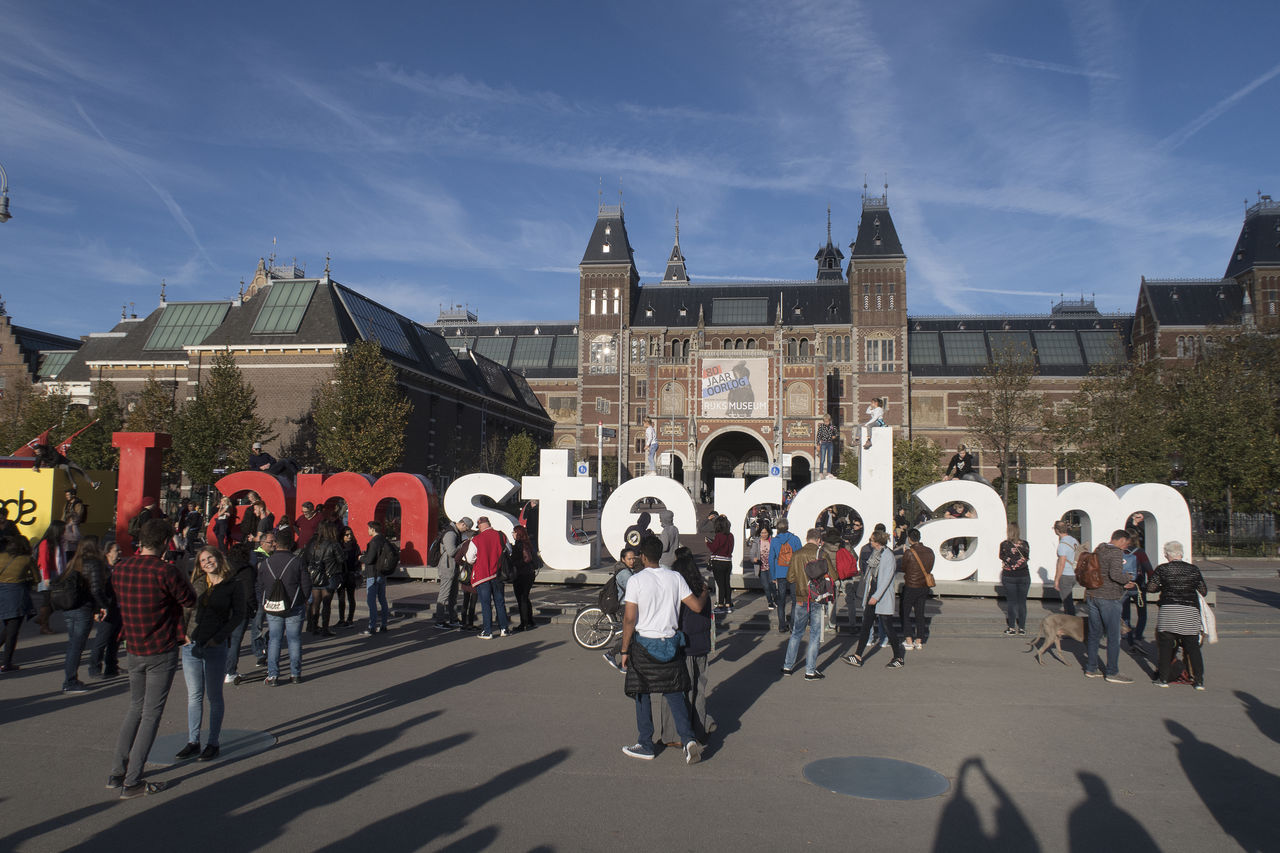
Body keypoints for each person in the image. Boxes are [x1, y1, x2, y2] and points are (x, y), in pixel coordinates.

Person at [108, 518, 198, 798]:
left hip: (133, 646)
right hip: (160, 647)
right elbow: (189, 600)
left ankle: (117, 771)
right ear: (164, 543)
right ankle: (133, 780)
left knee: (135, 708)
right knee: (151, 714)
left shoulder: (120, 568)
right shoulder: (165, 571)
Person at [619, 535, 708, 763]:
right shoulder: (675, 577)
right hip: (670, 643)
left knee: (642, 693)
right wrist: (705, 591)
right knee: (675, 693)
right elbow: (696, 606)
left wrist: (624, 650)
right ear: (660, 555)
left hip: (644, 643)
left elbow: (629, 619)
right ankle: (688, 740)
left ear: (643, 556)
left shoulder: (636, 581)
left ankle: (646, 743)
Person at [177, 547, 246, 761]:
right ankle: (193, 741)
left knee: (214, 696)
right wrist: (182, 636)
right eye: (203, 560)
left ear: (218, 559)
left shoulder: (233, 584)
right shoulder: (196, 584)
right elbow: (184, 610)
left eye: (210, 558)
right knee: (194, 696)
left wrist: (220, 637)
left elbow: (239, 615)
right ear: (199, 565)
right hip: (191, 645)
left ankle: (213, 743)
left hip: (215, 645)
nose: (207, 562)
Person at [655, 552, 714, 743]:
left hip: (682, 645)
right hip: (701, 645)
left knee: (676, 692)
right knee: (698, 690)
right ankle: (698, 730)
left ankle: (673, 735)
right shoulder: (703, 590)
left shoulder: (679, 591)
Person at [1147, 541, 1208, 689]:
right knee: (1192, 647)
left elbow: (1151, 588)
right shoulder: (1193, 570)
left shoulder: (1163, 569)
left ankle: (1163, 679)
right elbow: (1203, 591)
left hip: (1169, 610)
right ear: (1181, 553)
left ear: (1167, 554)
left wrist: (1165, 586)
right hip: (1189, 611)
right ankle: (1199, 681)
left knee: (1166, 646)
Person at [782, 527, 838, 680]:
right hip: (817, 598)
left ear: (807, 538)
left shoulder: (797, 554)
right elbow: (834, 575)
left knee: (796, 633)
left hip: (801, 598)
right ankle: (810, 670)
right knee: (814, 634)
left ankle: (788, 666)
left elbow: (790, 578)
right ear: (819, 540)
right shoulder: (822, 554)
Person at [257, 526, 310, 684]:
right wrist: (304, 599)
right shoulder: (297, 561)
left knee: (274, 639)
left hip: (273, 605)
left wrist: (263, 600)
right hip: (294, 604)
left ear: (275, 544)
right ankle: (295, 674)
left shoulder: (266, 562)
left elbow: (260, 585)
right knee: (294, 639)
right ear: (291, 544)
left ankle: (273, 675)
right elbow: (306, 584)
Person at [845, 530, 905, 668]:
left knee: (888, 627)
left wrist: (875, 597)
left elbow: (885, 579)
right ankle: (858, 655)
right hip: (873, 593)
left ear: (877, 542)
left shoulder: (888, 556)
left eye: (872, 540)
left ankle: (898, 657)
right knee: (866, 625)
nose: (870, 542)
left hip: (881, 596)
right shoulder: (877, 553)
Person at [1083, 530, 1137, 684]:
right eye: (1126, 544)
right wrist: (1128, 578)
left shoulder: (1099, 549)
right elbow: (1115, 575)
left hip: (1093, 595)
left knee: (1094, 634)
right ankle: (1112, 672)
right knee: (1113, 636)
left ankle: (1091, 668)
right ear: (1121, 540)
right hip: (1109, 598)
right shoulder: (1115, 553)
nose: (1125, 547)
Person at [59, 538, 102, 694]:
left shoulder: (73, 562)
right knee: (77, 646)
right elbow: (96, 589)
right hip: (83, 608)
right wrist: (103, 605)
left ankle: (70, 678)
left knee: (73, 645)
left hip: (69, 607)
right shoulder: (93, 563)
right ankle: (70, 681)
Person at [464, 517, 510, 639]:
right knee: (500, 602)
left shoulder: (476, 539)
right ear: (489, 524)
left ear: (480, 526)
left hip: (482, 575)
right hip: (498, 574)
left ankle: (488, 631)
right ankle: (504, 629)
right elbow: (508, 551)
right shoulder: (501, 535)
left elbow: (469, 559)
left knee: (486, 604)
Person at [0, 536, 39, 672]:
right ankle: (6, 662)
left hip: (1, 593)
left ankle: (6, 662)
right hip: (17, 595)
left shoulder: (1, 556)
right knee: (12, 631)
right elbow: (37, 578)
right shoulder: (27, 559)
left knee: (7, 627)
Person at [602, 547, 642, 671]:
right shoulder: (624, 573)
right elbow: (634, 588)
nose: (632, 561)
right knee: (630, 633)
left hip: (630, 604)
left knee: (632, 634)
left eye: (633, 558)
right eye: (629, 559)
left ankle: (627, 663)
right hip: (625, 605)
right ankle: (611, 653)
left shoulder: (629, 570)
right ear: (623, 559)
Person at [88, 540, 123, 679]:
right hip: (107, 608)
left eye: (119, 550)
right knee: (102, 639)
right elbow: (96, 590)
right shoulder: (102, 569)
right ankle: (94, 668)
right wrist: (98, 609)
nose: (119, 553)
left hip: (120, 607)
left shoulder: (120, 566)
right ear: (108, 553)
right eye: (116, 550)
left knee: (116, 639)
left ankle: (111, 667)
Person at [223, 543, 257, 685]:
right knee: (236, 641)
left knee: (225, 641)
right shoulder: (247, 570)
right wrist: (253, 607)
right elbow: (249, 592)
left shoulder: (224, 567)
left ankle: (222, 669)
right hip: (240, 608)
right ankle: (229, 671)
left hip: (224, 607)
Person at [303, 521, 343, 637]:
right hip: (329, 575)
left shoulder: (313, 543)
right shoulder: (333, 544)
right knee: (326, 603)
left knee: (316, 602)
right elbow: (341, 559)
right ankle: (325, 628)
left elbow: (306, 558)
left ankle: (314, 626)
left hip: (315, 575)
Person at [434, 517, 472, 628]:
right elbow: (451, 552)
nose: (466, 531)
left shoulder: (454, 532)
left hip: (452, 567)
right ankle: (440, 621)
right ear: (463, 524)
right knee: (444, 595)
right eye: (467, 529)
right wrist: (463, 544)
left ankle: (453, 619)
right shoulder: (451, 534)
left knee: (453, 595)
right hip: (447, 567)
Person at [900, 528, 934, 650]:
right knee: (920, 613)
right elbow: (930, 567)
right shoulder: (930, 551)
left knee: (905, 612)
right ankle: (919, 640)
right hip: (924, 586)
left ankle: (908, 639)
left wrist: (905, 553)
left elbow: (903, 568)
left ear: (909, 539)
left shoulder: (909, 552)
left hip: (911, 585)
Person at [768, 518, 801, 633]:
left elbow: (771, 559)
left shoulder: (774, 541)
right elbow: (799, 557)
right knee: (794, 600)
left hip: (780, 573)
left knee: (781, 599)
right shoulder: (795, 539)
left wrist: (773, 576)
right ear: (787, 527)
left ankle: (782, 625)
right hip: (793, 572)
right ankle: (792, 625)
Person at [360, 521, 392, 636]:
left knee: (371, 601)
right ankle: (383, 625)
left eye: (369, 529)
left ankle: (372, 626)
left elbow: (369, 560)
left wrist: (361, 558)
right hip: (382, 574)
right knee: (382, 600)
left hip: (373, 574)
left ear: (373, 529)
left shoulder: (374, 542)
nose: (368, 531)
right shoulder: (384, 540)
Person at [248, 532, 275, 666]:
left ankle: (266, 644)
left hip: (272, 596)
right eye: (271, 542)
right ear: (262, 543)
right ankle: (259, 653)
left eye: (274, 542)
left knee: (276, 625)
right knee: (257, 626)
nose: (273, 544)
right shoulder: (254, 556)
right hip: (259, 597)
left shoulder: (274, 555)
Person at [34, 521, 66, 634]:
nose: (64, 532)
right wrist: (47, 578)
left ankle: (42, 618)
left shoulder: (58, 542)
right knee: (48, 600)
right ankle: (44, 624)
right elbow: (44, 561)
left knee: (53, 600)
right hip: (47, 573)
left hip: (55, 572)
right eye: (63, 529)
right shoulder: (45, 542)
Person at [999, 524, 1031, 636]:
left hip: (1009, 575)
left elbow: (1001, 556)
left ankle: (1011, 627)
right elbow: (1027, 557)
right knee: (1022, 602)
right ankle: (1022, 627)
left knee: (1011, 602)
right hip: (1024, 575)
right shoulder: (1025, 544)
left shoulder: (1004, 544)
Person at [1121, 538, 1153, 647]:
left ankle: (1130, 641)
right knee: (1142, 614)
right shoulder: (1140, 553)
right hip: (1139, 587)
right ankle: (1138, 637)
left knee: (1126, 616)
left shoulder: (1121, 552)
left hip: (1123, 587)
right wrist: (1150, 585)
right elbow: (1149, 569)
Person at [31, 442, 100, 491]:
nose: (38, 454)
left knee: (79, 469)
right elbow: (37, 461)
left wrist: (50, 465)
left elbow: (57, 457)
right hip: (58, 464)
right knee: (66, 468)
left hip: (63, 460)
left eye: (39, 452)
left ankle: (93, 483)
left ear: (42, 449)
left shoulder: (50, 449)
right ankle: (73, 484)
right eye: (37, 453)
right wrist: (35, 466)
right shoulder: (39, 455)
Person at [509, 524, 538, 632]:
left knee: (521, 599)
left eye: (514, 532)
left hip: (522, 574)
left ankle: (524, 623)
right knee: (525, 598)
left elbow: (526, 558)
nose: (513, 534)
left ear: (518, 534)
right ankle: (530, 621)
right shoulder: (527, 543)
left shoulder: (520, 544)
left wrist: (515, 563)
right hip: (529, 574)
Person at [707, 515, 734, 614]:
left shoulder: (718, 536)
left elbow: (714, 548)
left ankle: (720, 605)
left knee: (720, 584)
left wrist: (708, 543)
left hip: (718, 561)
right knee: (727, 583)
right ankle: (728, 604)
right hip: (728, 561)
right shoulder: (730, 535)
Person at [1053, 520, 1079, 616]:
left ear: (1057, 530)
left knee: (1067, 602)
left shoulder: (1062, 545)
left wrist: (1057, 579)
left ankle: (1070, 622)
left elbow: (1061, 563)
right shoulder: (1074, 540)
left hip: (1066, 574)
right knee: (1069, 600)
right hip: (1074, 573)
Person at [336, 526, 361, 627]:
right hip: (341, 575)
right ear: (342, 536)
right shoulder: (338, 546)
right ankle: (341, 619)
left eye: (351, 534)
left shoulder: (355, 546)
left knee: (351, 597)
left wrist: (357, 571)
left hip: (351, 574)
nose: (349, 536)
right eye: (347, 535)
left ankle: (350, 618)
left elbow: (358, 560)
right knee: (341, 598)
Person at [751, 523, 775, 609]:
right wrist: (754, 559)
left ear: (768, 532)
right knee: (766, 586)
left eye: (765, 532)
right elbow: (752, 553)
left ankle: (775, 598)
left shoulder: (772, 540)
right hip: (761, 567)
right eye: (762, 533)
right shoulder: (757, 541)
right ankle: (770, 601)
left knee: (772, 584)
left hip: (771, 567)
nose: (764, 534)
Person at [62, 488, 86, 563]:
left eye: (68, 494)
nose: (67, 496)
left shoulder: (78, 505)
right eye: (66, 495)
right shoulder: (67, 504)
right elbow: (63, 515)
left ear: (73, 495)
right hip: (66, 527)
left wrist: (72, 522)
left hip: (73, 528)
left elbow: (77, 517)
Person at [816, 412, 837, 478]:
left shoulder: (832, 426)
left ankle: (829, 472)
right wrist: (818, 445)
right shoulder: (821, 426)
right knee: (822, 459)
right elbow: (818, 436)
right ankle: (821, 473)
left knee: (830, 459)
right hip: (823, 443)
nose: (826, 423)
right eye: (825, 421)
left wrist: (834, 436)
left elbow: (836, 433)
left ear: (829, 420)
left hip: (830, 443)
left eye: (827, 421)